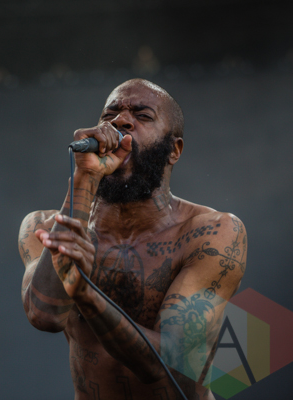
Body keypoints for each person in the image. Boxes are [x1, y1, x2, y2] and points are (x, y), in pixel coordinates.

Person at [18, 79, 247, 400]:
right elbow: (45, 316)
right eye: (110, 114)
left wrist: (85, 293)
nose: (121, 121)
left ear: (174, 150)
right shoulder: (42, 225)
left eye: (142, 116)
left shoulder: (211, 232)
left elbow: (165, 364)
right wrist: (84, 179)